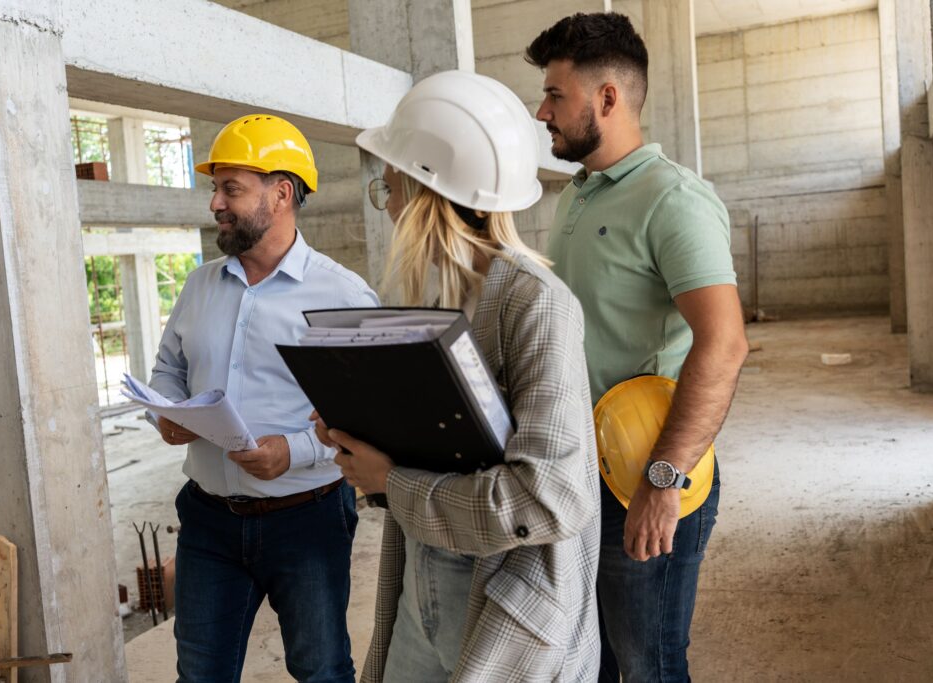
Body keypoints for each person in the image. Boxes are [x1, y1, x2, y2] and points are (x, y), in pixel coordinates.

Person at [312, 70, 601, 682]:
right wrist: (360, 430)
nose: (386, 204)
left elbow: (549, 499)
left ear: (424, 192)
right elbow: (444, 444)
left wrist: (392, 481)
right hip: (423, 582)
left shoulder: (536, 305)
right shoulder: (434, 300)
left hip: (505, 604)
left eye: (388, 186)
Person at [526, 12, 749, 682]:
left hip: (647, 477)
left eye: (555, 95)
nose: (542, 111)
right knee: (591, 658)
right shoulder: (577, 197)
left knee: (649, 660)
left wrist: (664, 479)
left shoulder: (673, 200)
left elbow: (725, 342)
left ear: (608, 98)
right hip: (583, 473)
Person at [148, 113, 378, 683]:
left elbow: (370, 419)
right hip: (207, 521)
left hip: (308, 521)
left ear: (280, 194)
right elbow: (167, 369)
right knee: (200, 674)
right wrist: (168, 411)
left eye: (231, 189)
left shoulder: (342, 296)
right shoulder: (200, 285)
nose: (215, 204)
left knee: (321, 669)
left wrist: (294, 452)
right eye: (215, 188)